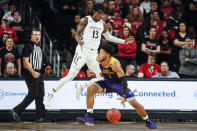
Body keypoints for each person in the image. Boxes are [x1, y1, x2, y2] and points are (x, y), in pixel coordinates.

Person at [44, 4, 132, 106]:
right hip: (82, 51)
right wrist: (80, 43)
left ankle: (82, 85)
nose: (101, 15)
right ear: (94, 11)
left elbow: (108, 37)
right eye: (99, 13)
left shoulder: (102, 24)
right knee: (70, 76)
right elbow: (77, 33)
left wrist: (124, 41)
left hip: (93, 53)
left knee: (102, 77)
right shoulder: (86, 20)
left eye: (102, 13)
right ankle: (50, 94)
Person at [76, 43, 157, 129]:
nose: (99, 54)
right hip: (106, 82)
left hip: (119, 85)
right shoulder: (98, 59)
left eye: (102, 53)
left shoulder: (115, 64)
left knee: (135, 104)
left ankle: (148, 121)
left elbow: (123, 80)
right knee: (91, 88)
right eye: (99, 52)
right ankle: (89, 117)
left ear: (108, 55)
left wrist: (123, 95)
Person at [10, 28, 46, 122]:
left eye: (38, 35)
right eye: (35, 34)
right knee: (33, 94)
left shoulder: (39, 46)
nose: (37, 36)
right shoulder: (28, 46)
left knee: (40, 94)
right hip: (30, 73)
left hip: (38, 73)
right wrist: (33, 72)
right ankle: (16, 111)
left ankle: (40, 116)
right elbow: (25, 61)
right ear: (31, 36)